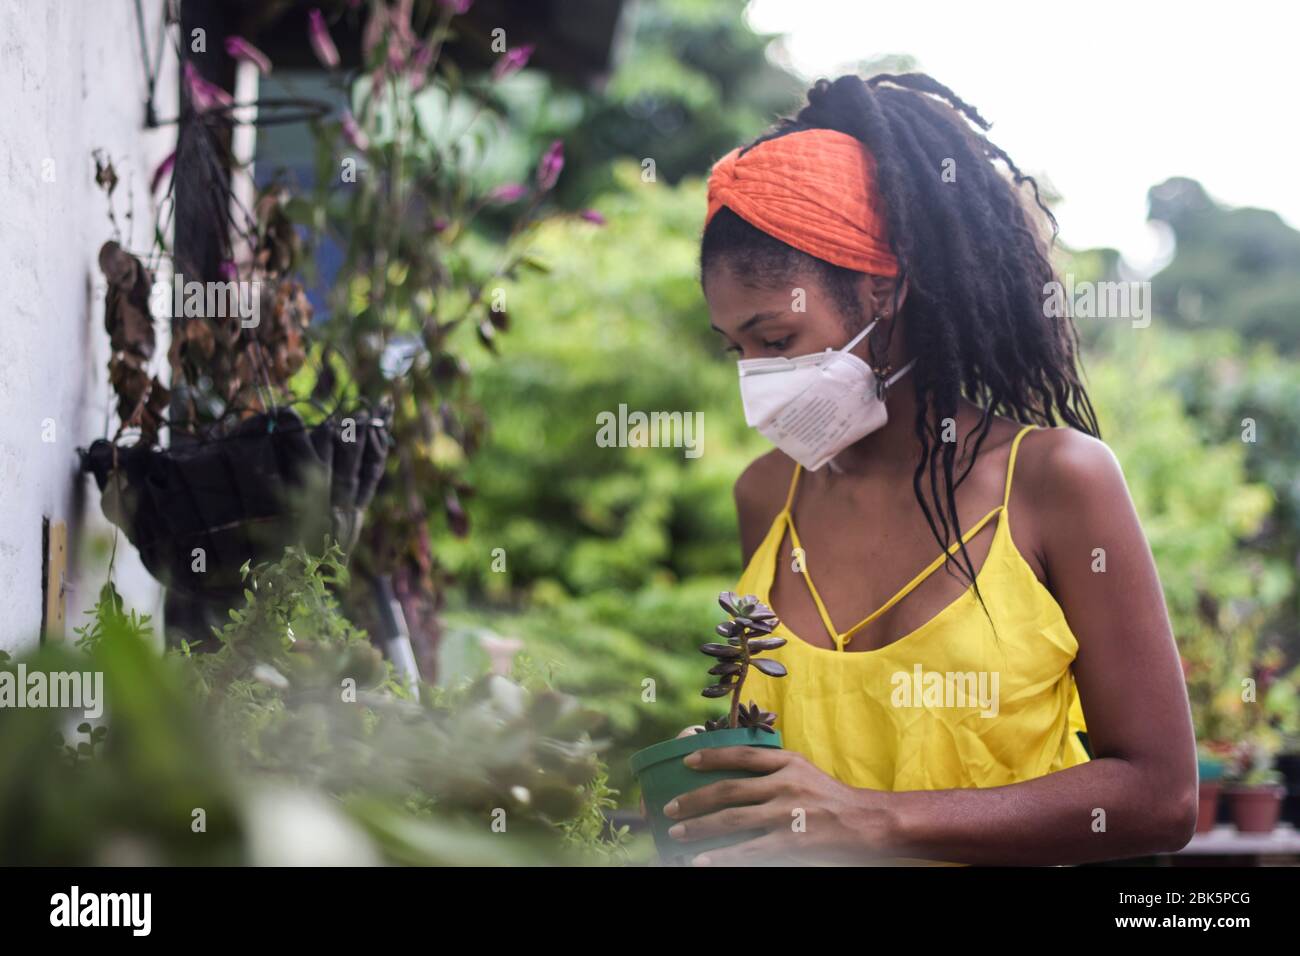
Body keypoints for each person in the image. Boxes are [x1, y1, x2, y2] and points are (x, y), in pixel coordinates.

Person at [662, 73, 1197, 865]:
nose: (754, 378)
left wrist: (881, 819)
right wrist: (727, 769)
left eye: (774, 341)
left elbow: (1161, 796)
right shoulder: (769, 495)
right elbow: (806, 772)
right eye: (735, 347)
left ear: (885, 289)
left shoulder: (1056, 483)